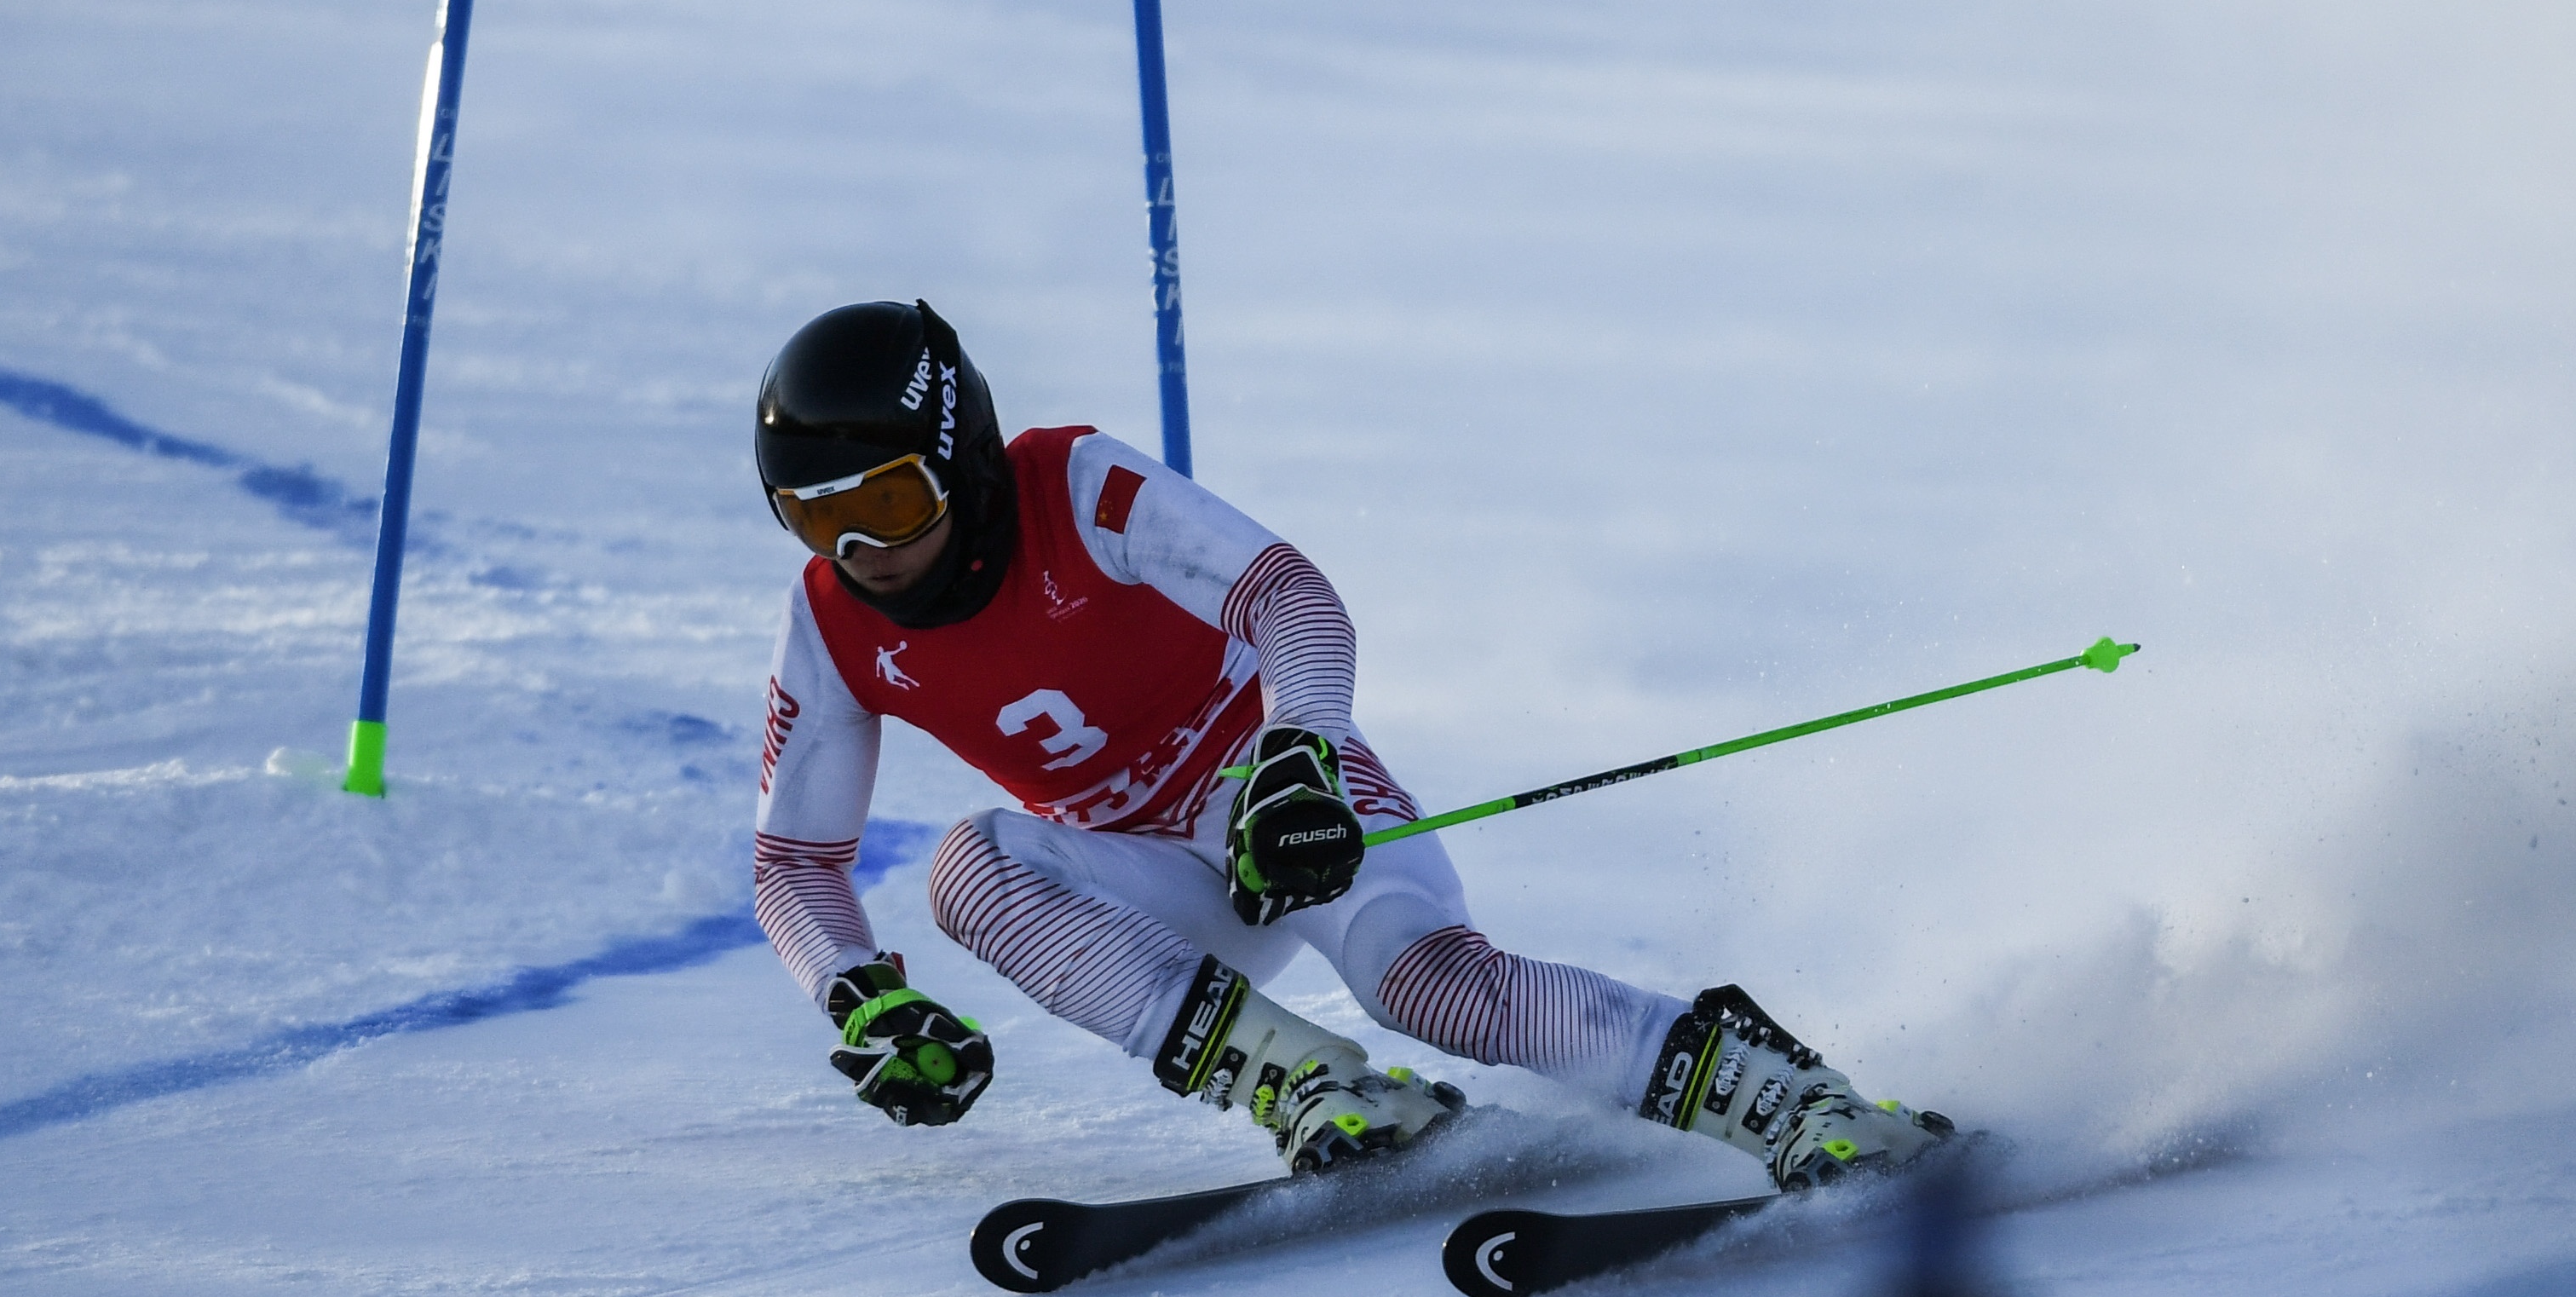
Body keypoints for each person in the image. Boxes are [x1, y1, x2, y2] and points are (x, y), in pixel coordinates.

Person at [747, 299, 1953, 1185]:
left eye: (890, 501)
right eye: (819, 518)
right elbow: (793, 863)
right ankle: (1312, 1084)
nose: (865, 550)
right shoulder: (833, 624)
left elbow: (1288, 597)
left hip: (1280, 805)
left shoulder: (1072, 485)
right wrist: (858, 999)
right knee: (970, 870)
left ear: (956, 453)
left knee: (1424, 985)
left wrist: (1300, 755)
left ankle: (1789, 1099)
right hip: (1151, 871)